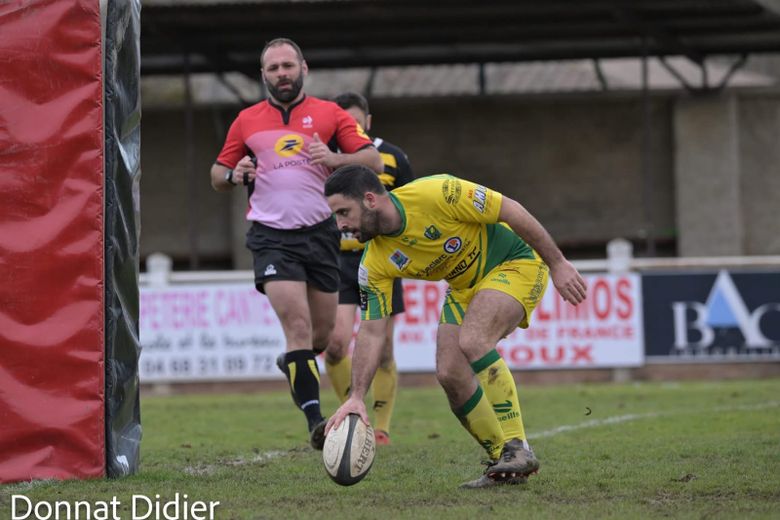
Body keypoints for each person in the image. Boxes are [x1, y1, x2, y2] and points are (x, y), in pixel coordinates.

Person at [323, 166, 587, 488]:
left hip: (515, 262)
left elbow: (510, 209)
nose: (341, 225)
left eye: (343, 212)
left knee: (474, 339)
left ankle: (518, 446)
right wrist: (357, 397)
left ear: (369, 200)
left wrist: (557, 263)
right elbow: (372, 330)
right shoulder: (374, 263)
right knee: (449, 372)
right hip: (464, 287)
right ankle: (504, 462)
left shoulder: (437, 193)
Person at [210, 38, 383, 450]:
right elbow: (217, 173)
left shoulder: (330, 114)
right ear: (263, 75)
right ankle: (316, 423)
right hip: (271, 237)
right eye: (273, 68)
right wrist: (236, 175)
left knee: (323, 338)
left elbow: (372, 161)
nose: (282, 73)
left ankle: (293, 362)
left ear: (304, 68)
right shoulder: (246, 120)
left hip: (321, 234)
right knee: (298, 328)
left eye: (288, 65)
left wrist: (335, 159)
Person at [325, 92, 414, 446]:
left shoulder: (393, 157)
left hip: (381, 259)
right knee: (335, 345)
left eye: (356, 121)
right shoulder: (322, 157)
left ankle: (381, 428)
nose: (351, 127)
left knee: (384, 348)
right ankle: (351, 415)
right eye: (343, 121)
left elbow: (407, 206)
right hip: (338, 261)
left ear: (368, 122)